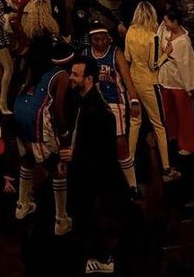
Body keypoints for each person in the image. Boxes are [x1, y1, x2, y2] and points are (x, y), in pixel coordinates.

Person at [62, 56, 128, 275]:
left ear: (88, 79)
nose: (70, 78)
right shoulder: (77, 101)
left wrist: (76, 155)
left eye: (75, 75)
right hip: (82, 177)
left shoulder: (101, 113)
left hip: (95, 181)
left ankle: (103, 259)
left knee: (93, 219)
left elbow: (105, 155)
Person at [13, 37, 73, 235]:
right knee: (57, 167)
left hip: (19, 114)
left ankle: (22, 205)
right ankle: (61, 219)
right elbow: (58, 109)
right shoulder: (61, 75)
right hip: (38, 122)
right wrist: (64, 135)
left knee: (27, 159)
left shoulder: (31, 67)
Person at [125, 1, 180, 182]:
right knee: (159, 125)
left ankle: (129, 161)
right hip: (149, 82)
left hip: (134, 80)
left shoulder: (130, 31)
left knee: (135, 121)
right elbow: (154, 64)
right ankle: (166, 168)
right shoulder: (152, 37)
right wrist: (167, 53)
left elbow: (127, 57)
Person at [86, 23, 141, 194]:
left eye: (103, 39)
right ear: (91, 40)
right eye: (96, 39)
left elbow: (127, 78)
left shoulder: (115, 53)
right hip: (94, 104)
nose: (101, 43)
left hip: (114, 101)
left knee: (120, 143)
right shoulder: (86, 54)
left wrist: (134, 100)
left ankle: (133, 185)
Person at [157, 5, 194, 156]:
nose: (164, 24)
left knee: (185, 114)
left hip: (180, 82)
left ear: (175, 21)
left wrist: (191, 87)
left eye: (167, 21)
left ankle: (188, 144)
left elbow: (187, 65)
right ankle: (172, 137)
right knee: (168, 111)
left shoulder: (184, 41)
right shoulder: (164, 29)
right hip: (166, 78)